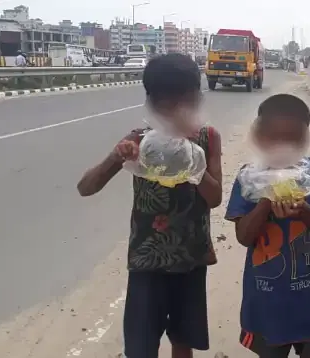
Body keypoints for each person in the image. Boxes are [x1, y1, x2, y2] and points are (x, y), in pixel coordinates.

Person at [77, 53, 223, 358]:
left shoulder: (208, 138)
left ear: (195, 99)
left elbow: (215, 197)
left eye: (181, 104)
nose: (173, 113)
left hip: (191, 258)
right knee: (141, 346)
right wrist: (118, 156)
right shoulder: (140, 140)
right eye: (164, 105)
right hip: (147, 262)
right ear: (151, 103)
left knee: (184, 340)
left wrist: (194, 162)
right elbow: (86, 188)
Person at [225, 94, 310, 358]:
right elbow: (244, 237)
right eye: (274, 138)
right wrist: (265, 202)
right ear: (259, 137)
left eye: (292, 139)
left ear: (305, 138)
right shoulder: (250, 178)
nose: (282, 147)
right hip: (267, 304)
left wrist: (306, 212)